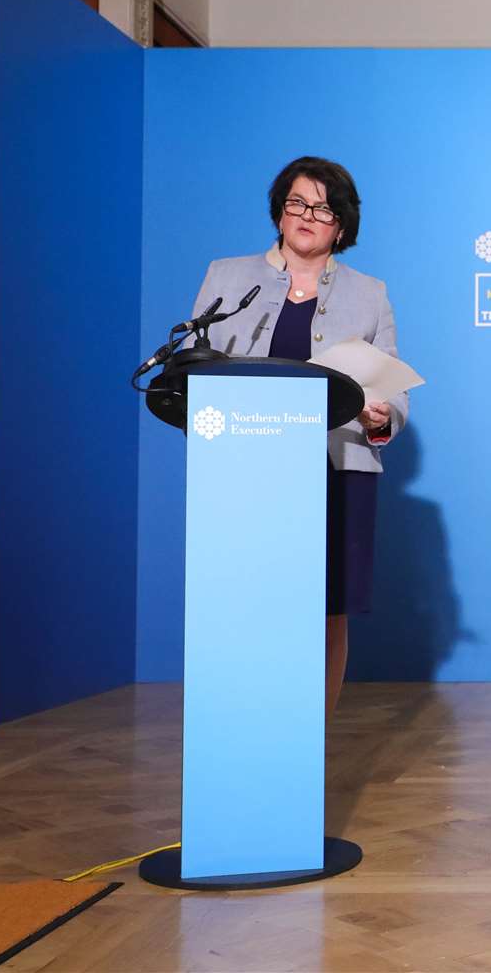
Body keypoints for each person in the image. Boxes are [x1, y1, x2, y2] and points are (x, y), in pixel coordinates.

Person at [188, 156, 408, 718]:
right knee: (246, 598)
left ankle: (311, 732)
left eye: (323, 208)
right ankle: (245, 719)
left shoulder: (370, 293)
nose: (307, 215)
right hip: (245, 470)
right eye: (297, 202)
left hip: (337, 471)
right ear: (279, 210)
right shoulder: (226, 277)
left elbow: (393, 386)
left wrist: (382, 416)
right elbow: (194, 369)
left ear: (342, 225)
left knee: (327, 608)